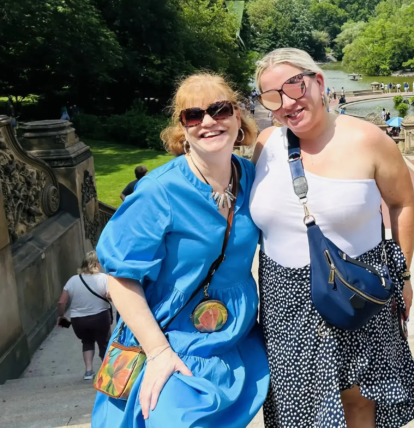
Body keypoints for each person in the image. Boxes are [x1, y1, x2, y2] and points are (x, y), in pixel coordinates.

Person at [250, 49, 414, 427]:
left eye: (294, 86)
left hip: (354, 288)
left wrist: (404, 275)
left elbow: (402, 205)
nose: (287, 103)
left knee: (360, 396)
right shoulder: (266, 145)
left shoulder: (369, 139)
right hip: (284, 297)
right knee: (295, 401)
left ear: (318, 81)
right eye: (272, 97)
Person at [92, 73, 269, 427]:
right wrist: (158, 353)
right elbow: (119, 278)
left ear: (238, 116)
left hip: (235, 337)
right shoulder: (158, 191)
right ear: (182, 129)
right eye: (193, 115)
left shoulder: (252, 176)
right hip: (166, 335)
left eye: (219, 110)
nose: (208, 121)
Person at [57, 251, 112, 381]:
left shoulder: (72, 280)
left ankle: (88, 371)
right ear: (95, 264)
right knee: (104, 343)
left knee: (87, 342)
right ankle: (107, 372)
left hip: (79, 320)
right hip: (100, 317)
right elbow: (110, 295)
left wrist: (61, 316)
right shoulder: (103, 278)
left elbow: (61, 301)